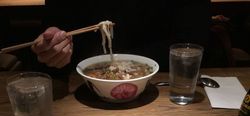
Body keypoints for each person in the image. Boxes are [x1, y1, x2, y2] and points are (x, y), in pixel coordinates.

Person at [30, 0, 212, 72]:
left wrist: (130, 66)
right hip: (80, 83)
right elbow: (54, 26)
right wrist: (54, 45)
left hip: (164, 83)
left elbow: (193, 40)